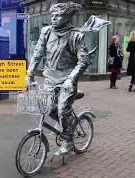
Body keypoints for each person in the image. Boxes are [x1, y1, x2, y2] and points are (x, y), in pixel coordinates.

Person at [26, 2, 94, 155]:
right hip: (50, 79)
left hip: (67, 81)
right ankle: (67, 125)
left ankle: (68, 142)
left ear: (67, 17)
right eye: (52, 15)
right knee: (48, 109)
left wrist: (71, 79)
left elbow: (84, 60)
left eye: (58, 16)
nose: (54, 18)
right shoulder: (46, 32)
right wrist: (29, 74)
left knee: (63, 109)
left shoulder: (76, 35)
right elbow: (37, 54)